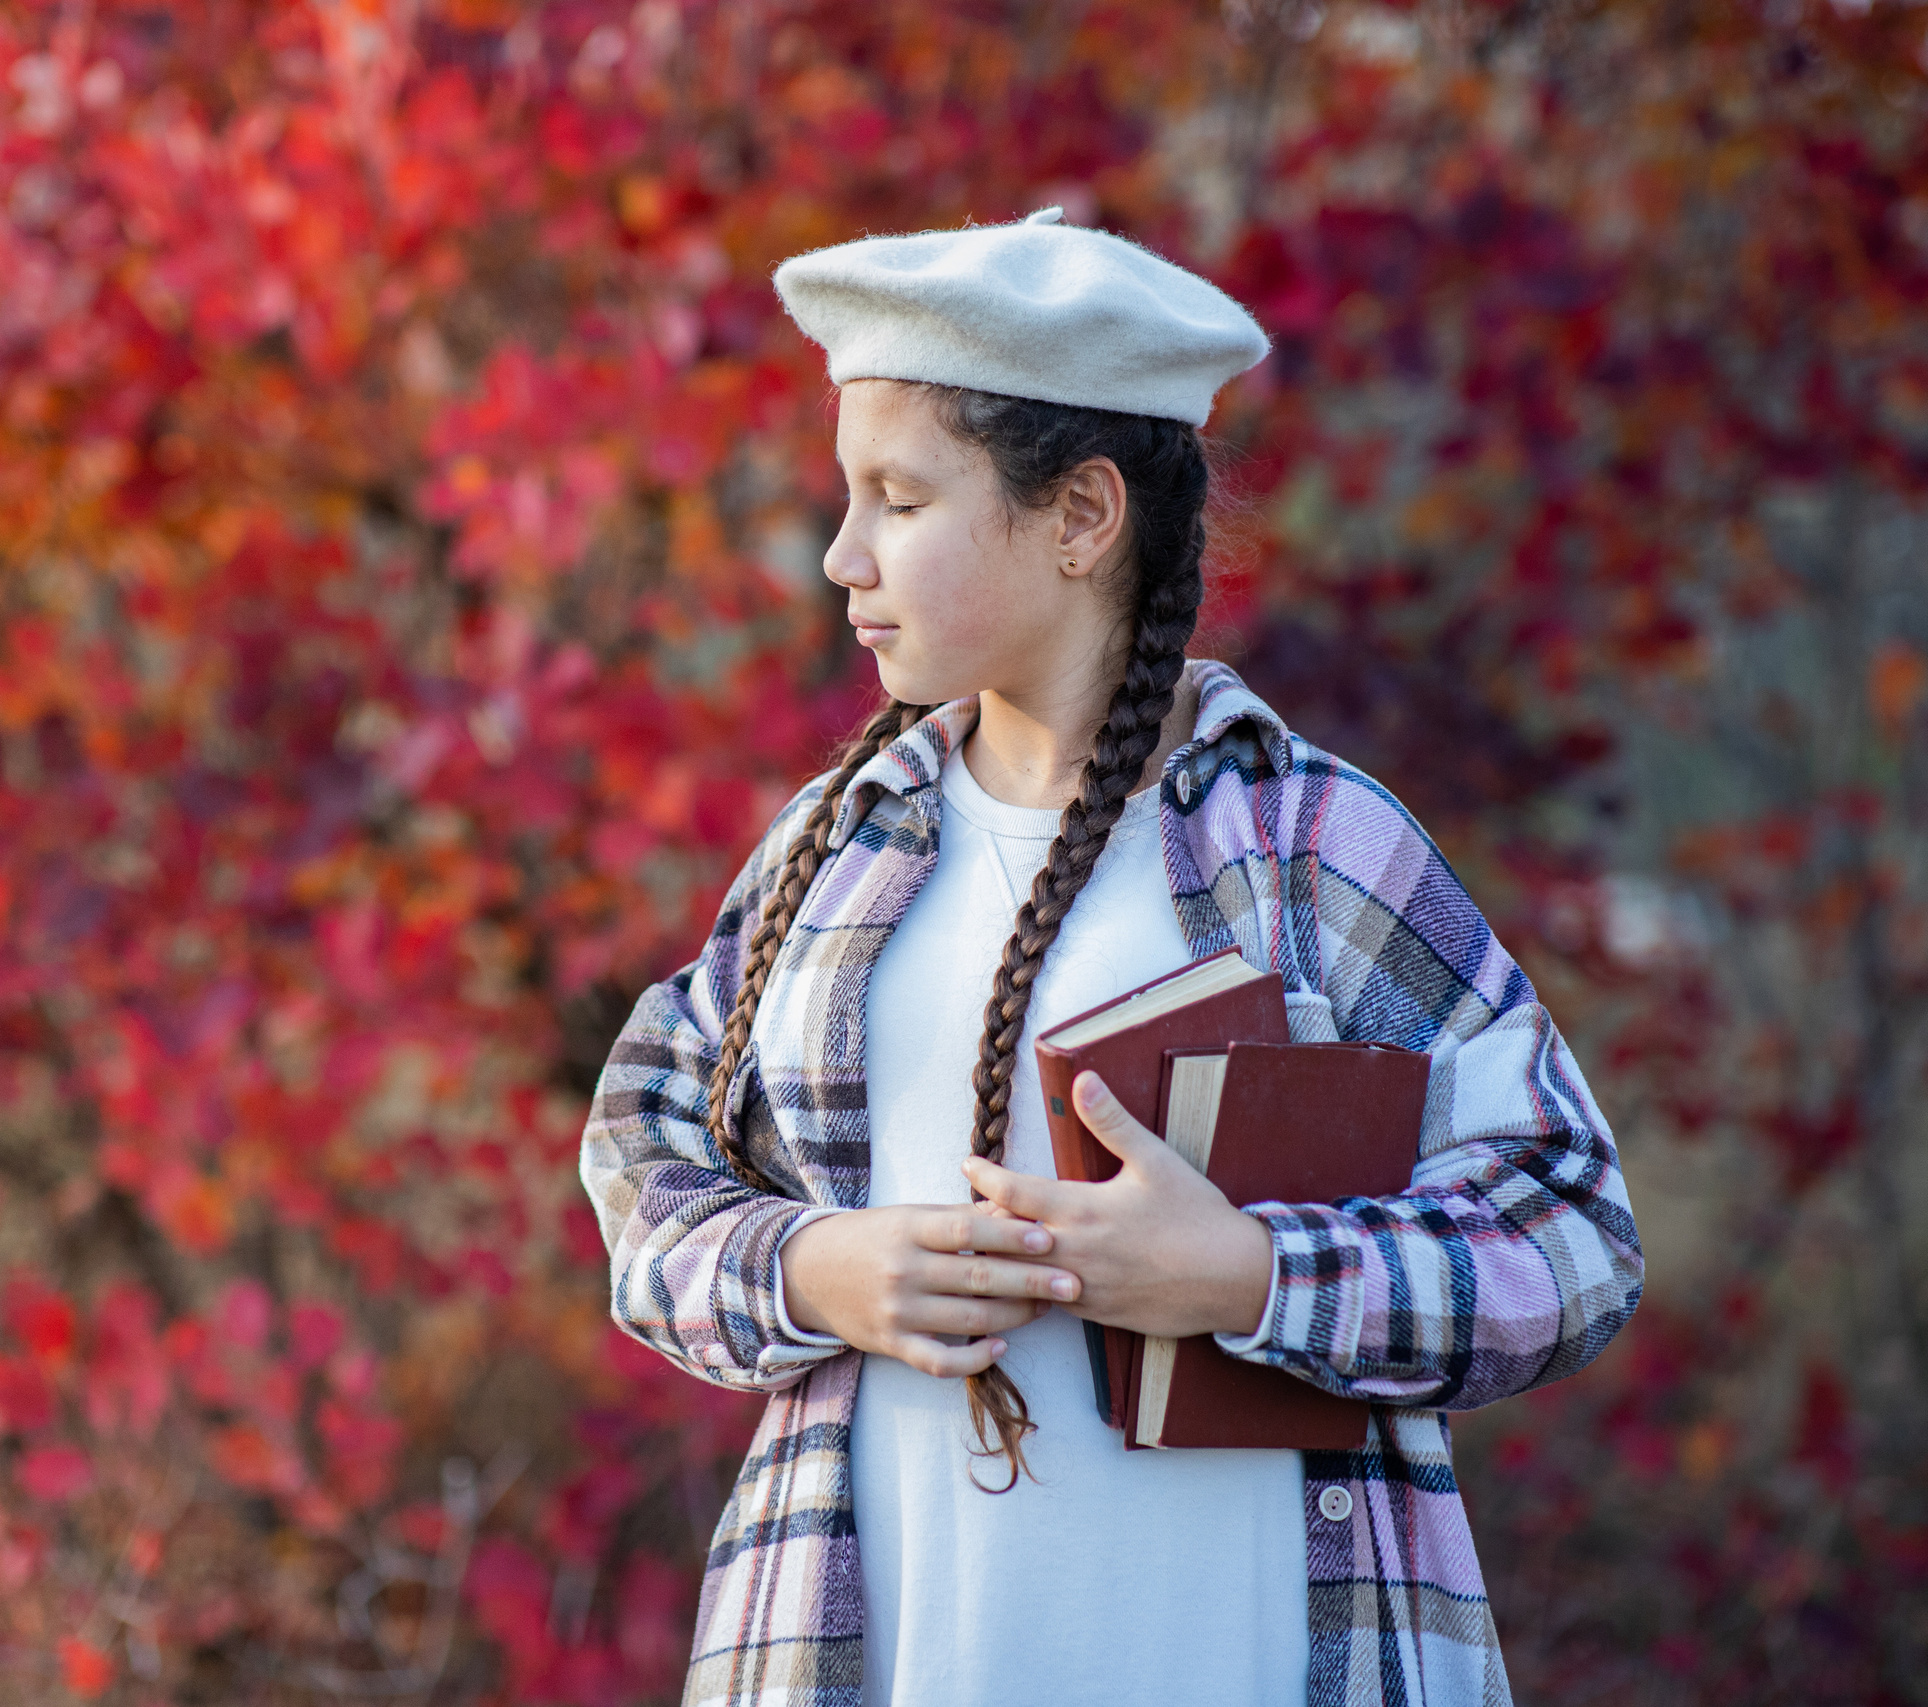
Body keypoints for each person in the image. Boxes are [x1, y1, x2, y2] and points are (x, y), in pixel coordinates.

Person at [578, 207, 1644, 1707]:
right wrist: (817, 1267)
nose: (841, 555)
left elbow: (1575, 1235)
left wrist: (1253, 1277)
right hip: (889, 1656)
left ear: (1081, 517)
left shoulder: (1310, 844)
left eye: (899, 499)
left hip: (1252, 1652)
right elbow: (641, 1163)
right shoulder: (835, 845)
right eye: (849, 497)